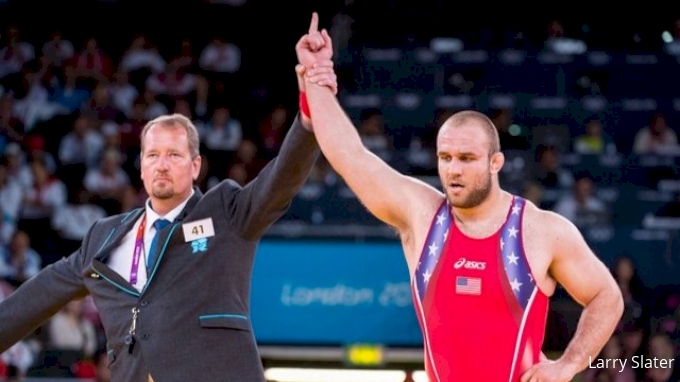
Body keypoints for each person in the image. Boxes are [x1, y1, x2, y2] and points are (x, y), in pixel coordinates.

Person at [0, 13, 337, 382]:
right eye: (152, 156)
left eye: (174, 155)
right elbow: (34, 300)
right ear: (141, 167)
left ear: (195, 166)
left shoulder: (226, 211)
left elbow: (280, 181)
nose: (162, 165)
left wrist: (309, 110)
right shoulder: (102, 237)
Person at [298, 22, 624, 382]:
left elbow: (606, 296)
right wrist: (316, 77)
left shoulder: (541, 230)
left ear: (495, 163)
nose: (453, 170)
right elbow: (350, 156)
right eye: (445, 157)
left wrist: (568, 364)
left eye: (467, 158)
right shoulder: (421, 214)